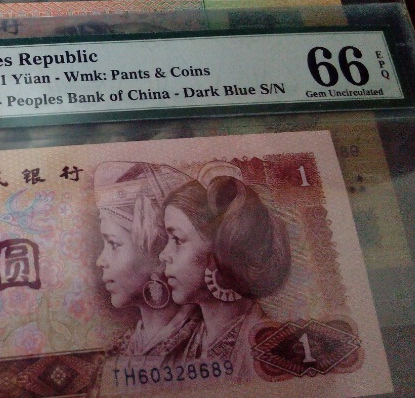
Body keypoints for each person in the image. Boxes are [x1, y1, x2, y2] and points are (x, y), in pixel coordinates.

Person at [159, 161, 292, 379]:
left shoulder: (269, 352)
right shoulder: (184, 342)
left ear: (222, 250)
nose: (163, 255)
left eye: (177, 239)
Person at [94, 161, 201, 362]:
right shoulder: (119, 351)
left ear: (159, 253)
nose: (101, 261)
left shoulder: (205, 342)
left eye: (113, 244)